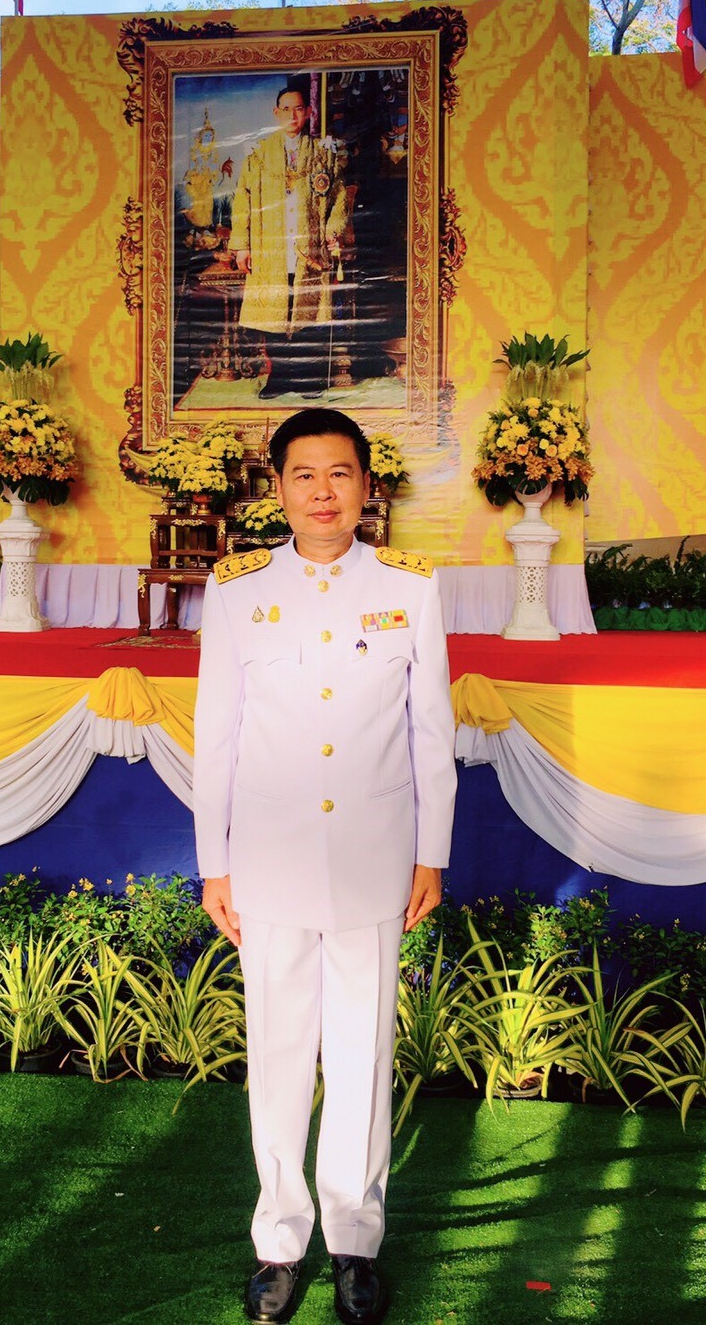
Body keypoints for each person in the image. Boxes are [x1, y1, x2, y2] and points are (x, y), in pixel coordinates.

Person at [193, 408, 457, 1325]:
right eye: (303, 475)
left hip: (376, 859)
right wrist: (212, 862)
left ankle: (353, 1241)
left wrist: (433, 852)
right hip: (267, 860)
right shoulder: (233, 593)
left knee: (361, 1052)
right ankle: (278, 1241)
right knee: (276, 1054)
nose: (322, 492)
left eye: (340, 474)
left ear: (367, 486)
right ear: (277, 489)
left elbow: (432, 734)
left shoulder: (412, 589)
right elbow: (215, 735)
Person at [229, 79, 350, 400]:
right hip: (271, 249)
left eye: (299, 109)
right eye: (286, 110)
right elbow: (242, 199)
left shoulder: (322, 153)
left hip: (309, 248)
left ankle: (308, 378)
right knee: (276, 314)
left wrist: (332, 230)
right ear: (276, 112)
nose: (293, 116)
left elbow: (339, 198)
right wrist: (242, 245)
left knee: (306, 312)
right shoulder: (258, 153)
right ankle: (279, 377)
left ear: (308, 111)